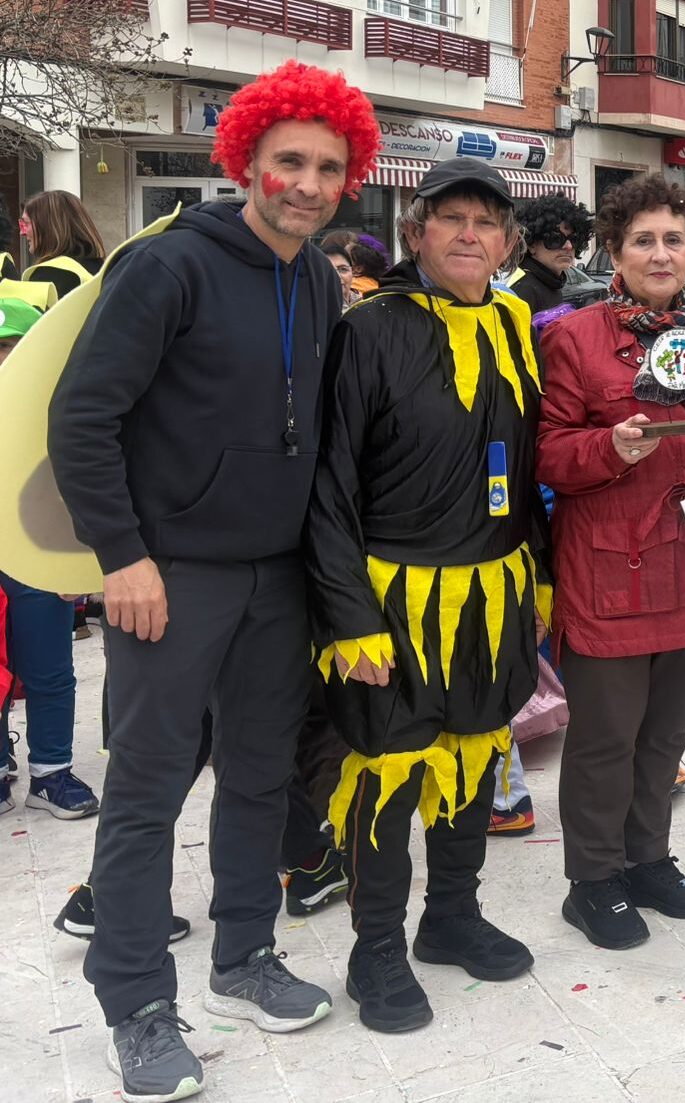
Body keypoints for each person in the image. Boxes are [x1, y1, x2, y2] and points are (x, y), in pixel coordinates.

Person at [48, 60, 377, 1099]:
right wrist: (122, 556)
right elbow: (82, 418)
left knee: (261, 776)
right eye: (290, 161)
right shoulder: (168, 266)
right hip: (171, 575)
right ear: (245, 159)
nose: (308, 184)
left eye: (328, 167)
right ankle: (136, 1002)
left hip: (277, 578)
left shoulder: (316, 278)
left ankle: (244, 955)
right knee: (145, 792)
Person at [307, 157, 546, 1033]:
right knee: (390, 771)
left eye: (487, 222)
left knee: (477, 753)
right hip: (393, 596)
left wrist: (541, 576)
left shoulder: (515, 320)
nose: (470, 235)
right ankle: (375, 947)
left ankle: (451, 914)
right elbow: (328, 483)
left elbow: (524, 464)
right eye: (452, 219)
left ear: (508, 243)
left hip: (495, 589)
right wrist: (349, 618)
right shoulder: (369, 329)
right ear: (416, 233)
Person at [537, 173, 685, 948]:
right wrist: (609, 446)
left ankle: (647, 859)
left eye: (676, 239)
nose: (661, 253)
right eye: (643, 240)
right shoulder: (574, 338)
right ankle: (592, 879)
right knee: (605, 737)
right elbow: (548, 451)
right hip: (609, 566)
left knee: (665, 734)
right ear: (615, 251)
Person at [0, 297, 99, 822]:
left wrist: (74, 563)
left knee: (51, 669)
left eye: (12, 348)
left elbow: (74, 481)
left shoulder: (55, 406)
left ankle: (51, 772)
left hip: (36, 553)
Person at [508, 192, 594, 318]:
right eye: (555, 239)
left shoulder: (552, 283)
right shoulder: (523, 290)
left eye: (574, 239)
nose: (568, 246)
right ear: (531, 245)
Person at [20, 190, 106, 297]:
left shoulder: (48, 274)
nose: (22, 232)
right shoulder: (104, 269)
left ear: (49, 226)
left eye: (26, 223)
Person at [321, 241, 359, 308]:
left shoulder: (363, 303)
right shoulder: (315, 307)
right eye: (329, 271)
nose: (337, 276)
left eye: (343, 269)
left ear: (353, 271)